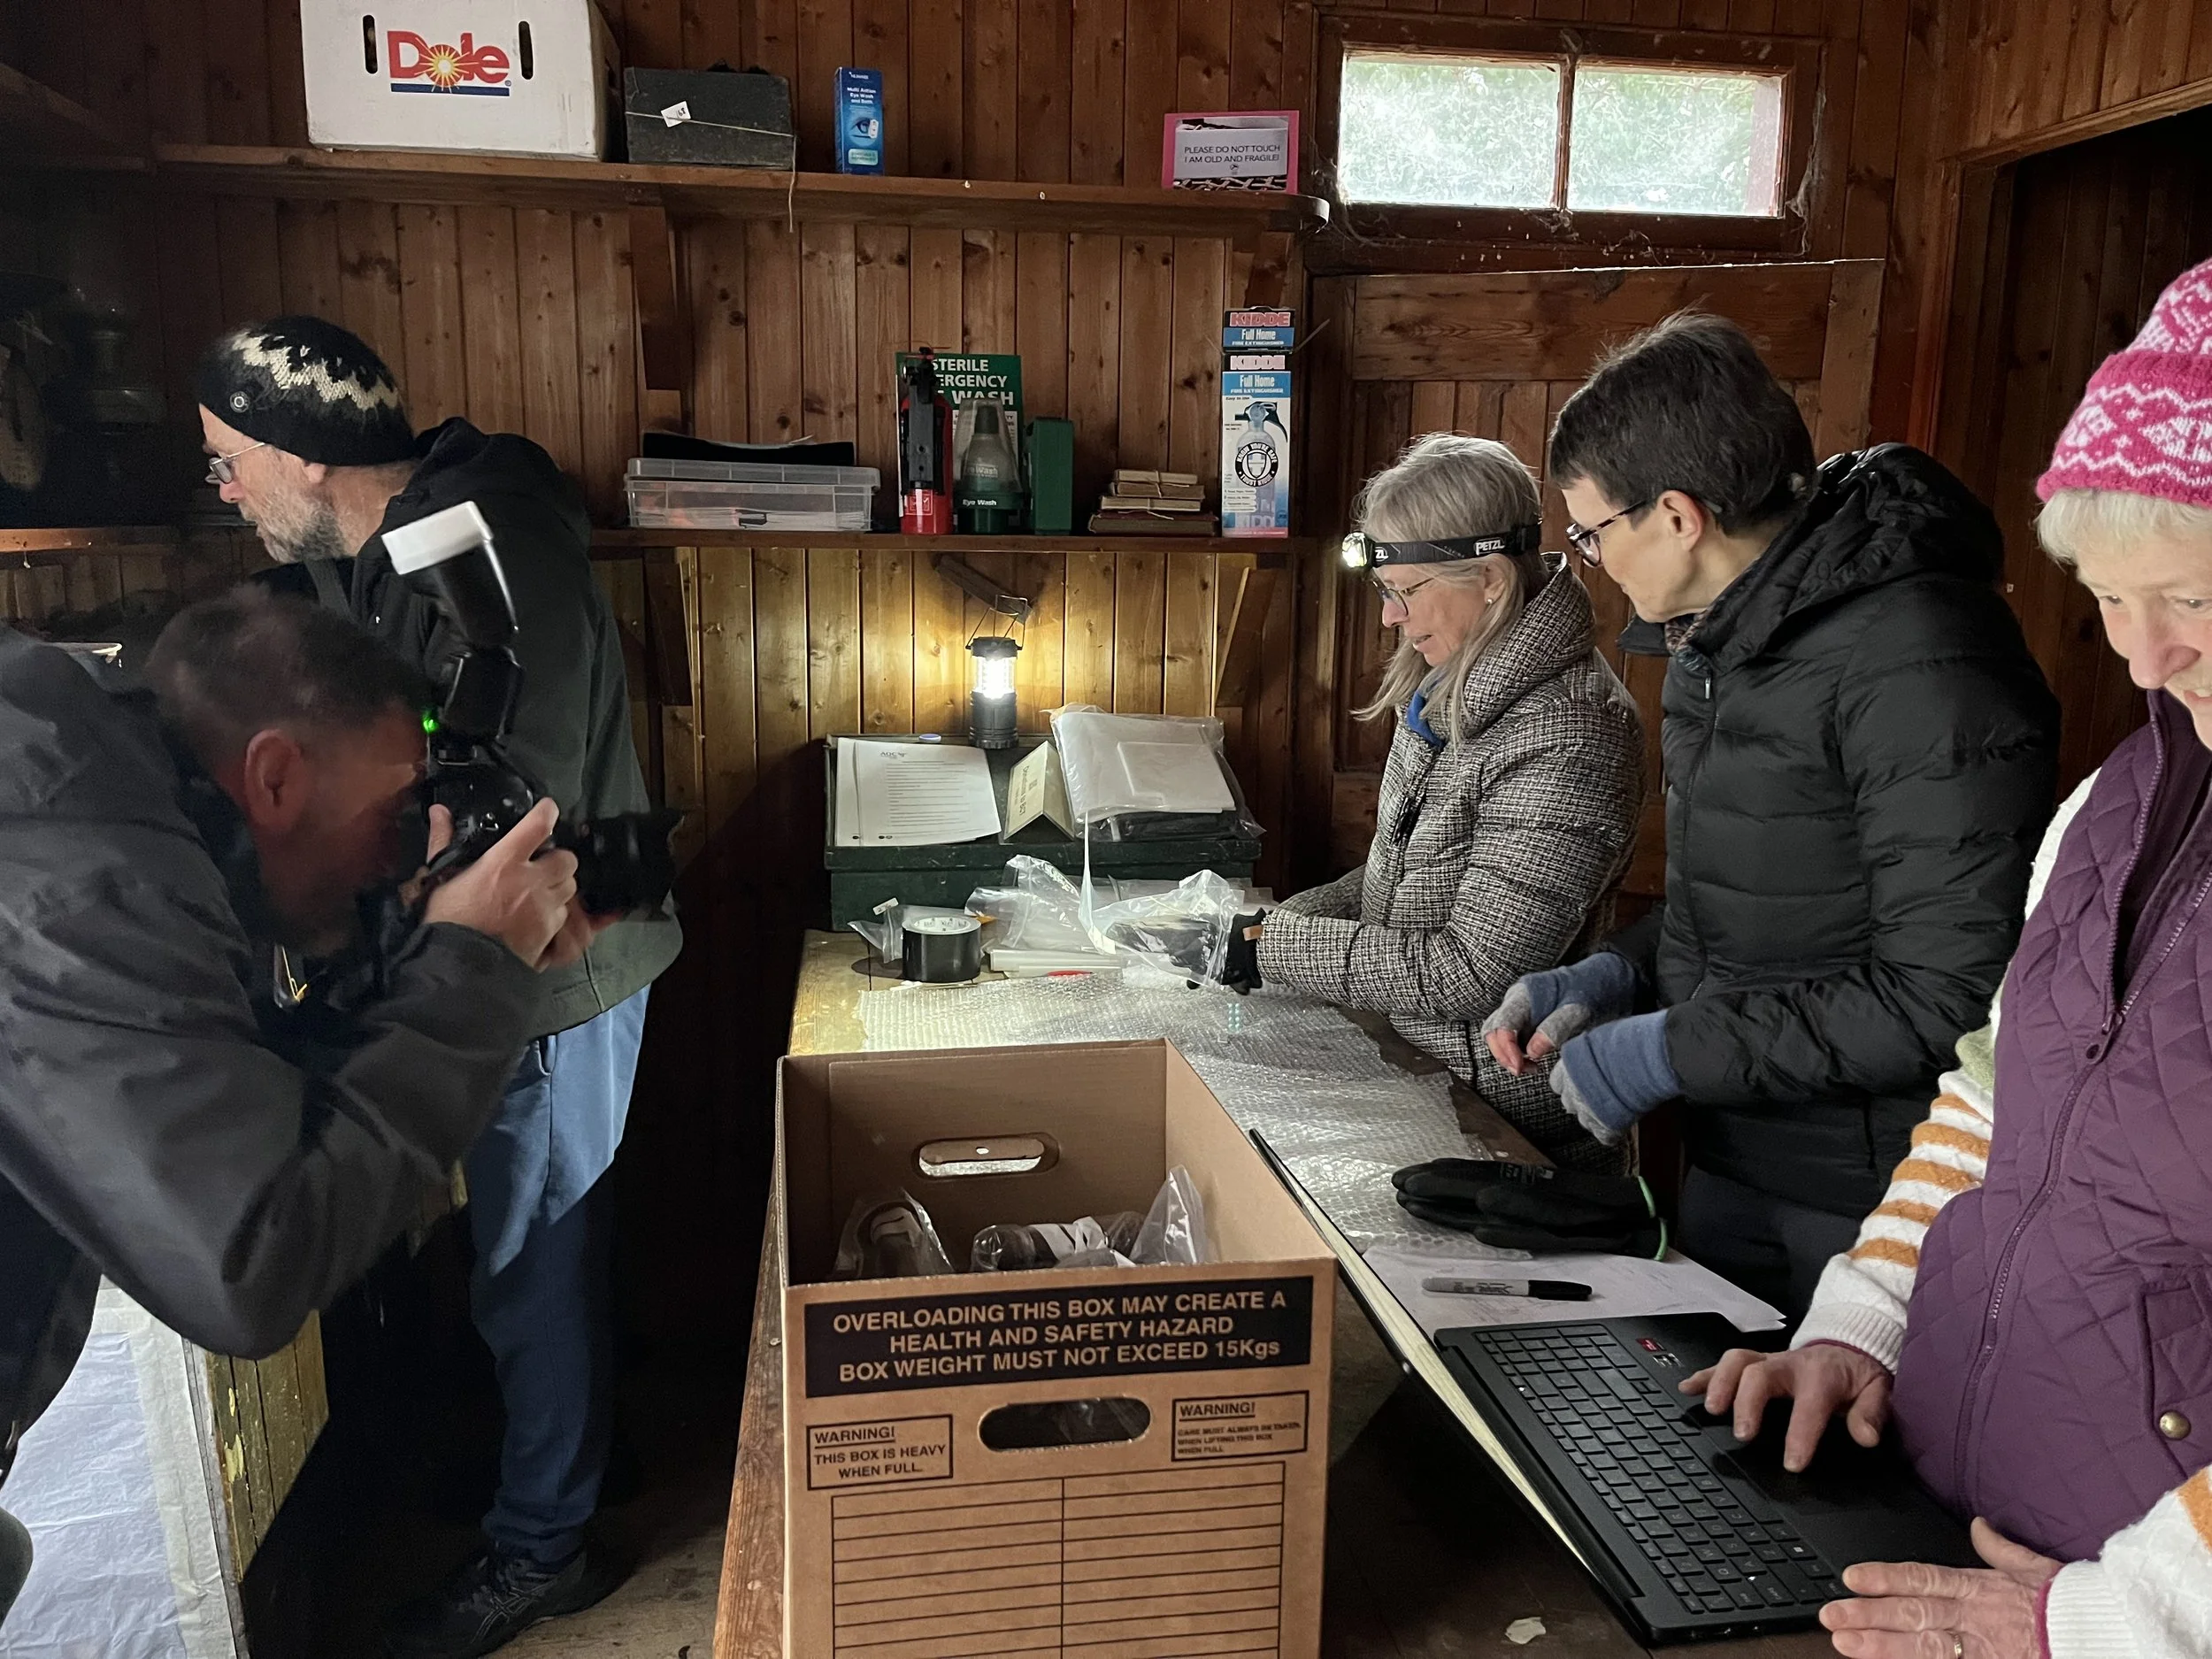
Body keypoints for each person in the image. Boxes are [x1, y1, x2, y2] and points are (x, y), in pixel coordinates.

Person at [1689, 257, 2212, 1659]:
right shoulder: (2110, 808)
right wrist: (1859, 1319)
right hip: (1976, 1541)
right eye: (2109, 599)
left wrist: (2118, 1616)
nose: (2146, 659)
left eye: (2195, 601)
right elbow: (1994, 1105)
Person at [194, 316, 682, 1653]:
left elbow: (495, 796)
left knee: (533, 1252)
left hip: (551, 954)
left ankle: (545, 1548)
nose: (222, 491)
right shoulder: (409, 542)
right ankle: (574, 1461)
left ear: (304, 456)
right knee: (544, 1242)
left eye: (231, 463)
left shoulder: (470, 550)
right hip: (556, 937)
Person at [0, 589, 594, 1629]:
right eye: (392, 815)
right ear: (273, 774)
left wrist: (410, 964)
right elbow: (254, 1260)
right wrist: (469, 969)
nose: (397, 854)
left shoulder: (109, 786)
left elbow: (243, 1087)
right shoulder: (82, 874)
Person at [1483, 312, 2060, 1318]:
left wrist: (1663, 1051)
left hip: (1872, 1196)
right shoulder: (1725, 641)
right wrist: (1618, 974)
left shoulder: (1919, 656)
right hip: (1738, 1151)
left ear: (1676, 515)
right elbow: (1758, 897)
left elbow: (1951, 994)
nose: (1590, 558)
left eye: (1591, 532)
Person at [1245, 434, 1645, 1169]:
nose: (1391, 618)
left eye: (1406, 590)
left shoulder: (1573, 731)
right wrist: (1270, 927)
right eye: (1385, 592)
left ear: (1490, 577)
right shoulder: (1444, 684)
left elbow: (1469, 972)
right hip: (1416, 1072)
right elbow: (1388, 882)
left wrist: (1275, 945)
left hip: (1507, 1126)